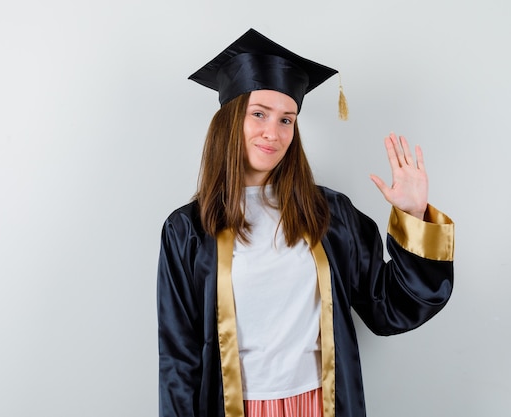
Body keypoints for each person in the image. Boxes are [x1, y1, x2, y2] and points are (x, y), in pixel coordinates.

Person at [156, 28, 454, 417]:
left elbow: (389, 308)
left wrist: (414, 215)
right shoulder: (188, 230)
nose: (273, 132)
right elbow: (179, 358)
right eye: (259, 114)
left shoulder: (327, 214)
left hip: (322, 403)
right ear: (230, 120)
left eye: (287, 120)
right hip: (234, 408)